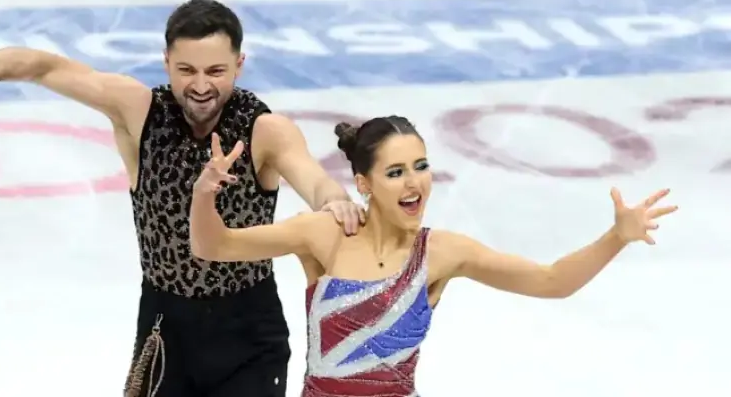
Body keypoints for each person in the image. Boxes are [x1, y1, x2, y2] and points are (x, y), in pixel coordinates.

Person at [0, 0, 366, 397]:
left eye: (216, 71)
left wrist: (334, 200)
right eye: (186, 69)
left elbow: (314, 181)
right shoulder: (139, 111)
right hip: (166, 324)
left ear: (239, 65)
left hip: (248, 328)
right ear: (165, 61)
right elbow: (45, 67)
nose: (201, 85)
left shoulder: (264, 130)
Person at [189, 116, 679, 397]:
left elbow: (551, 281)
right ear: (364, 184)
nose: (414, 182)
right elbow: (214, 246)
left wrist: (617, 237)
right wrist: (203, 194)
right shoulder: (326, 234)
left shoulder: (441, 252)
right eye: (396, 171)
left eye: (420, 166)